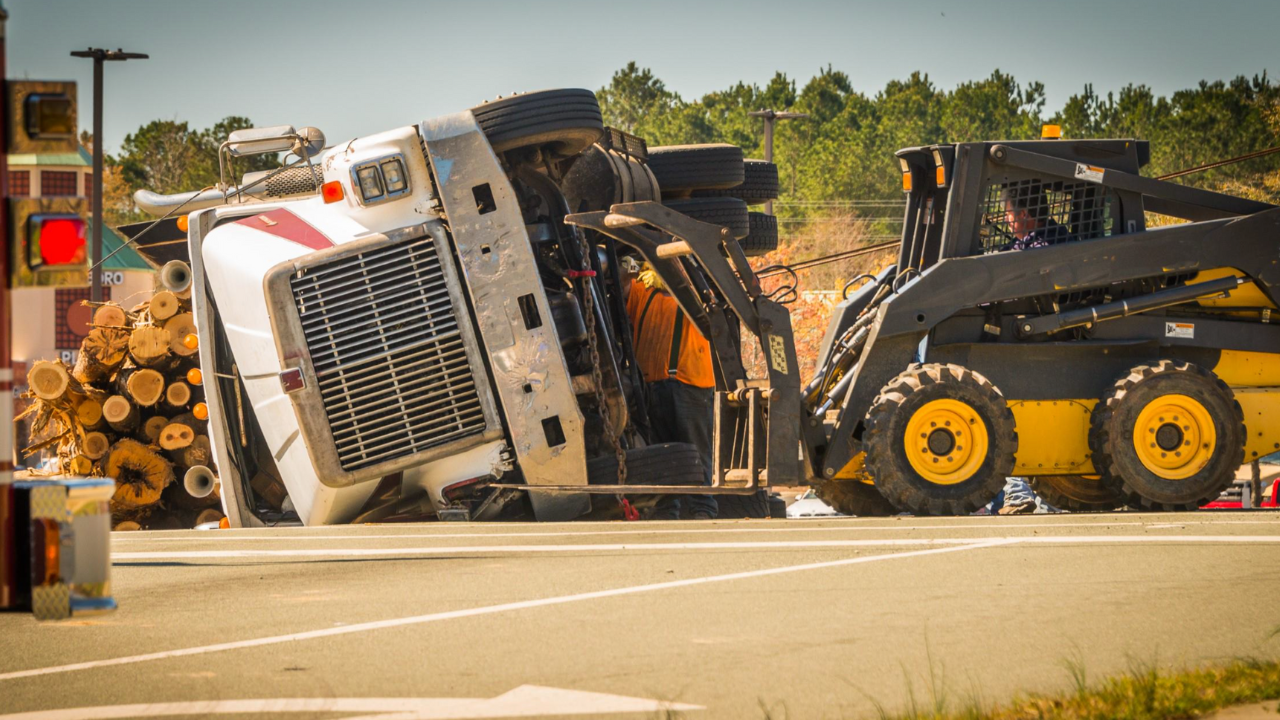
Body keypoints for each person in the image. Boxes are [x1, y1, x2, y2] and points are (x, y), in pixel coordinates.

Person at [625, 262, 718, 520]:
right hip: (652, 385)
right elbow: (621, 283)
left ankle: (703, 508)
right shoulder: (642, 291)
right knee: (661, 451)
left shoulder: (698, 288)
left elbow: (710, 301)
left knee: (695, 448)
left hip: (691, 382)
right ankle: (667, 509)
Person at [999, 182, 1071, 251]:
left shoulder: (1044, 247)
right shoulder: (1026, 239)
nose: (1006, 219)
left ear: (1024, 214)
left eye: (1008, 214)